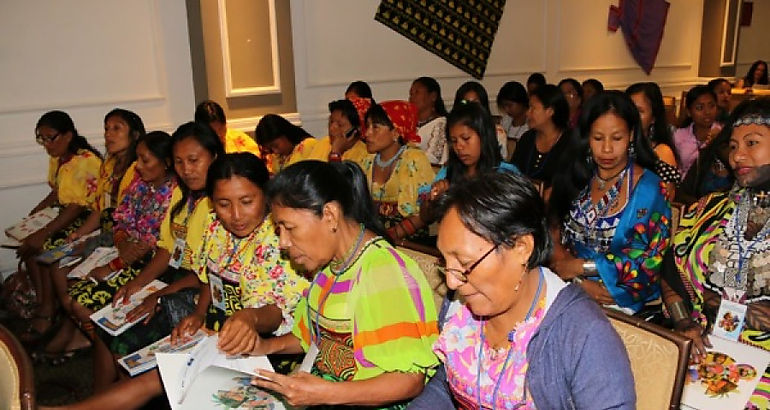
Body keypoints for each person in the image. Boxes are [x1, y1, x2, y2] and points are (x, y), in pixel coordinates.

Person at [44, 152, 308, 410]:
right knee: (153, 374)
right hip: (218, 327)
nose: (236, 215)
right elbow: (209, 278)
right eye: (224, 204)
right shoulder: (216, 227)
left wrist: (248, 319)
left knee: (161, 380)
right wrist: (198, 313)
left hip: (264, 345)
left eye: (247, 201)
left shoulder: (279, 240)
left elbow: (275, 313)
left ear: (266, 194)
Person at [408, 171, 635, 409]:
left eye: (464, 264)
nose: (452, 282)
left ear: (522, 247)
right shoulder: (462, 304)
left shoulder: (583, 335)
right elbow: (445, 385)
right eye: (445, 262)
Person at [248, 160, 439, 408]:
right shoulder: (330, 268)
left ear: (329, 215)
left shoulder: (381, 272)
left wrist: (325, 394)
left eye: (289, 228)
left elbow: (410, 380)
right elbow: (315, 339)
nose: (283, 242)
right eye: (278, 229)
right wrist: (262, 346)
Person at [662, 99, 770, 410]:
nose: (737, 155)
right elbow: (671, 270)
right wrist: (683, 323)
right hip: (703, 348)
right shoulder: (709, 208)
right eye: (734, 145)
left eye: (752, 143)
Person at [549, 91, 671, 314]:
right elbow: (552, 231)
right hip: (568, 286)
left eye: (617, 138)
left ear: (632, 135)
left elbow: (650, 260)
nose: (606, 149)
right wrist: (578, 280)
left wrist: (583, 267)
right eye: (598, 138)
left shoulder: (649, 190)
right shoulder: (576, 176)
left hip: (620, 302)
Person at [16, 111, 102, 341]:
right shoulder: (59, 158)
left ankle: (47, 310)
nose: (46, 145)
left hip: (87, 219)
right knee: (31, 245)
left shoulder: (84, 162)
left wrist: (43, 232)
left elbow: (76, 206)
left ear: (67, 136)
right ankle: (46, 305)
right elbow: (58, 192)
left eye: (50, 138)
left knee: (44, 247)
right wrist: (34, 216)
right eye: (41, 139)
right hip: (68, 214)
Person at [419, 102, 519, 226]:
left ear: (484, 136)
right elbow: (425, 217)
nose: (459, 147)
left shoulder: (504, 174)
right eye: (454, 141)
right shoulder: (449, 171)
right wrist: (434, 198)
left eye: (466, 138)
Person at [360, 101, 434, 243]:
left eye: (375, 127)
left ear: (396, 132)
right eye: (367, 126)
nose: (367, 133)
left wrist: (390, 236)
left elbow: (426, 211)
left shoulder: (413, 159)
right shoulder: (367, 161)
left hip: (409, 241)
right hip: (375, 239)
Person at [626, 82, 681, 198]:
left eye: (640, 111)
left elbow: (665, 200)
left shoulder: (661, 152)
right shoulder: (615, 147)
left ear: (653, 117)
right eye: (629, 110)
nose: (632, 116)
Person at [510, 84, 570, 186]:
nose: (528, 113)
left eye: (533, 108)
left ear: (550, 111)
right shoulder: (527, 138)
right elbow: (513, 172)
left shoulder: (570, 142)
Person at [674, 85, 723, 177]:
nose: (707, 112)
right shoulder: (679, 135)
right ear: (689, 112)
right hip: (684, 187)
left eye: (711, 106)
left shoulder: (723, 133)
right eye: (700, 108)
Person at [452, 81, 508, 159]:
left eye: (475, 103)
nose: (470, 107)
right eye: (465, 103)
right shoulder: (452, 130)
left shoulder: (497, 132)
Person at [307, 99, 370, 167]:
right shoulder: (324, 143)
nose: (331, 128)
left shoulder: (365, 155)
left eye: (340, 125)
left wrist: (335, 153)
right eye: (331, 122)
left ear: (355, 130)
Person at [194, 100, 262, 157]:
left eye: (221, 129)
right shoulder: (195, 150)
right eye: (213, 132)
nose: (219, 135)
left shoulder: (237, 138)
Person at [410, 76, 449, 165]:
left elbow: (433, 157)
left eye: (417, 93)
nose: (412, 97)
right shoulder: (411, 123)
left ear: (433, 96)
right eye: (411, 94)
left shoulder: (441, 123)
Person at [496, 81, 529, 156]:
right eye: (504, 106)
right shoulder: (506, 120)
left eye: (510, 105)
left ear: (521, 102)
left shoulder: (531, 123)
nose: (507, 109)